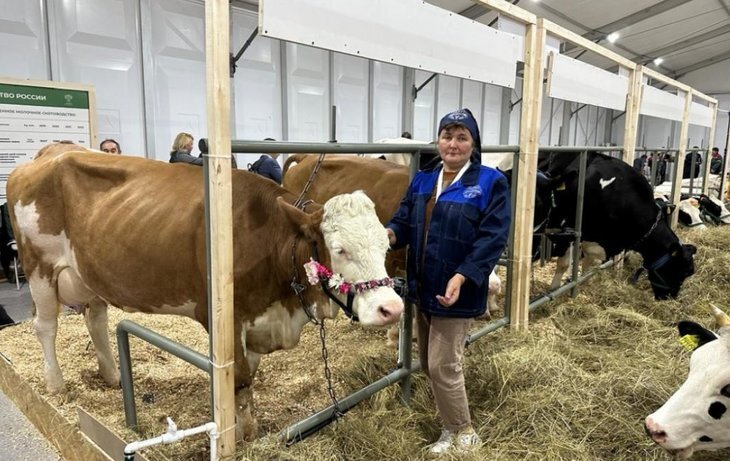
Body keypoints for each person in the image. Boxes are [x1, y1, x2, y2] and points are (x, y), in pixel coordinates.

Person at [386, 108, 511, 456]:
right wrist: (388, 235)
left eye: (461, 137)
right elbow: (402, 218)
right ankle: (449, 427)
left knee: (444, 364)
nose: (452, 144)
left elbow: (492, 238)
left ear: (473, 143)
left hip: (457, 289)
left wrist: (463, 275)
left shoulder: (489, 182)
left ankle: (465, 434)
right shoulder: (424, 179)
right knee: (429, 364)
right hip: (423, 285)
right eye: (447, 136)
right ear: (438, 140)